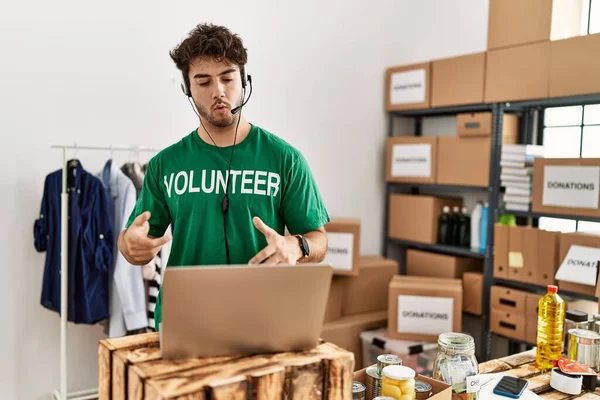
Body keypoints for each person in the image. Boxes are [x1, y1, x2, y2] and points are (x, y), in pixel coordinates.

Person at [117, 23, 330, 330]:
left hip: (265, 321)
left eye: (228, 78)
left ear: (244, 80)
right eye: (203, 82)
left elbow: (319, 240)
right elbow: (135, 241)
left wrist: (297, 247)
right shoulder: (165, 164)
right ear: (187, 89)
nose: (218, 91)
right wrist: (128, 244)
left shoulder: (285, 159)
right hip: (184, 323)